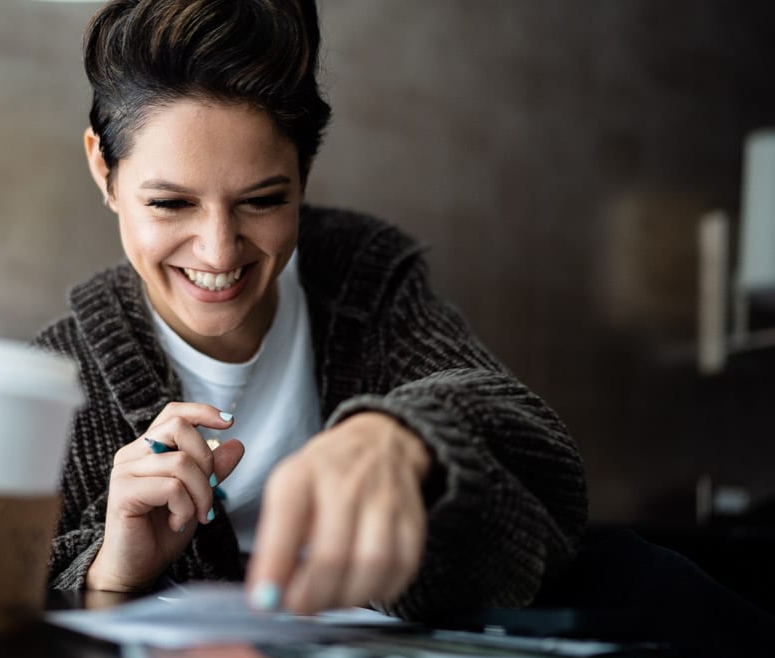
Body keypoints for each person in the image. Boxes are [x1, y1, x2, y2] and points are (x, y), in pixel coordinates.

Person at [34, 0, 587, 621]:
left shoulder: (364, 278)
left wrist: (405, 438)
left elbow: (549, 479)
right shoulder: (54, 381)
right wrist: (110, 573)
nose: (218, 249)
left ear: (305, 172)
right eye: (170, 204)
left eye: (264, 200)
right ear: (103, 170)